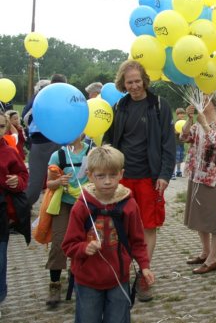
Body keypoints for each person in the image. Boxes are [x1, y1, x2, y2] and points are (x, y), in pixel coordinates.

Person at [103, 60, 175, 302]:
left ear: (144, 80)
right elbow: (109, 138)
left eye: (137, 81)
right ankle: (122, 270)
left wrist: (165, 174)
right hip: (122, 177)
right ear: (123, 84)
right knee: (119, 226)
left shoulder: (159, 106)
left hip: (149, 176)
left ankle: (144, 274)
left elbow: (168, 143)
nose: (134, 86)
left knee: (148, 226)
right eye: (129, 82)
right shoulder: (119, 106)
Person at [62, 145, 154, 323]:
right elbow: (68, 245)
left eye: (113, 175)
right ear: (89, 175)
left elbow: (137, 241)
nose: (107, 181)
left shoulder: (129, 205)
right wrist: (83, 247)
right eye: (101, 176)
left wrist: (144, 266)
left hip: (119, 279)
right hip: (87, 280)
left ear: (121, 174)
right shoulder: (81, 207)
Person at [181, 91, 216, 275]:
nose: (200, 101)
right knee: (200, 218)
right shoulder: (199, 123)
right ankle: (205, 252)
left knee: (213, 220)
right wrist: (189, 119)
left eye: (204, 99)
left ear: (214, 103)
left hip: (213, 178)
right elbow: (184, 137)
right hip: (197, 175)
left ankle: (213, 260)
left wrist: (203, 123)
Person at [43, 135, 91, 308]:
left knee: (85, 242)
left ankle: (78, 277)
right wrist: (58, 181)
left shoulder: (91, 152)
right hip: (63, 203)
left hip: (85, 204)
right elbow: (49, 183)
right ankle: (54, 284)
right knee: (59, 242)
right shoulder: (58, 155)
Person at [0, 112, 29, 314]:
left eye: (1, 126)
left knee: (0, 258)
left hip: (0, 212)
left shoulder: (9, 151)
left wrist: (16, 181)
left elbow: (22, 174)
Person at [23, 74, 67, 206]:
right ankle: (22, 211)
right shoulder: (61, 95)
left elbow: (26, 116)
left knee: (38, 181)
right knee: (59, 180)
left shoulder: (41, 95)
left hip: (43, 142)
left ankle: (21, 213)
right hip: (58, 141)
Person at [173, 107, 187, 180]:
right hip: (176, 143)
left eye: (183, 114)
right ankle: (172, 173)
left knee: (180, 158)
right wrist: (180, 132)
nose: (182, 115)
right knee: (176, 158)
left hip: (181, 143)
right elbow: (175, 132)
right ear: (177, 115)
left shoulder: (184, 122)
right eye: (180, 114)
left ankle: (178, 171)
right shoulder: (176, 123)